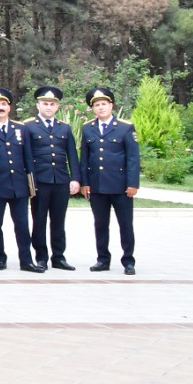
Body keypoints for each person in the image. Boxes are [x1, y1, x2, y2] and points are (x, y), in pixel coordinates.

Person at [80, 86, 140, 275]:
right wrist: (84, 182)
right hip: (97, 186)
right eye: (97, 105)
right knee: (100, 224)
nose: (101, 108)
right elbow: (85, 158)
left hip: (121, 186)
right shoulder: (87, 128)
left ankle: (128, 261)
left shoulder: (125, 127)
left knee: (125, 224)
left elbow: (132, 158)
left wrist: (132, 183)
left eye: (104, 104)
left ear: (111, 105)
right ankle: (103, 259)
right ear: (92, 108)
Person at [0, 87, 38, 272]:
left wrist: (31, 187)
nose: (1, 107)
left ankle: (26, 261)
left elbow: (28, 159)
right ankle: (0, 258)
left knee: (22, 225)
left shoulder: (21, 129)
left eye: (4, 104)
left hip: (19, 186)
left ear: (9, 108)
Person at [25, 85, 80, 271]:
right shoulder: (29, 126)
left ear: (57, 107)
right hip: (40, 181)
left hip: (61, 180)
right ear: (38, 105)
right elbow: (27, 156)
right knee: (39, 220)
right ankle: (41, 257)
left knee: (59, 221)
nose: (48, 107)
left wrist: (75, 178)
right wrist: (30, 183)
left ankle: (59, 257)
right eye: (45, 103)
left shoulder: (64, 128)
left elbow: (72, 154)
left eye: (52, 104)